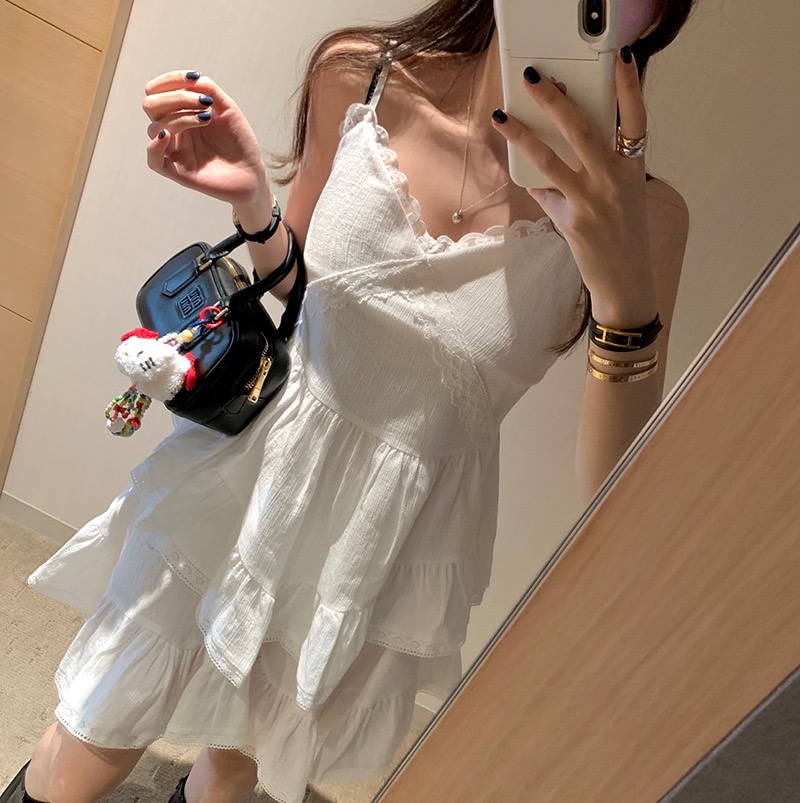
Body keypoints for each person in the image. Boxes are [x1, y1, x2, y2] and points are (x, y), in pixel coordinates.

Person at [2, 1, 695, 801]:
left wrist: (623, 293)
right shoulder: (362, 75)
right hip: (252, 470)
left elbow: (613, 492)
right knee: (97, 723)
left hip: (383, 538)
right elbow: (307, 295)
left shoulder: (648, 219)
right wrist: (255, 204)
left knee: (239, 757)